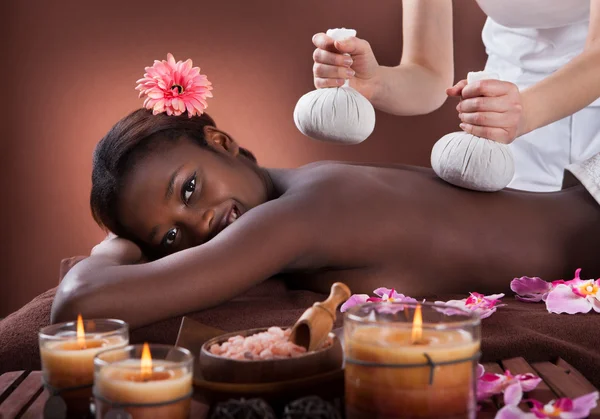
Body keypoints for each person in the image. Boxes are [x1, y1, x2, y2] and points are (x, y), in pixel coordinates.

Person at [52, 108, 600, 328]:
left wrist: (115, 247)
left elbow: (78, 302)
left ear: (222, 142)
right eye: (170, 236)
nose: (200, 226)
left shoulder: (295, 217)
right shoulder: (316, 178)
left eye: (190, 189)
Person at [311, 0, 600, 192]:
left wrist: (523, 111)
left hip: (553, 117)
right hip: (502, 128)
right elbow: (428, 75)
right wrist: (374, 83)